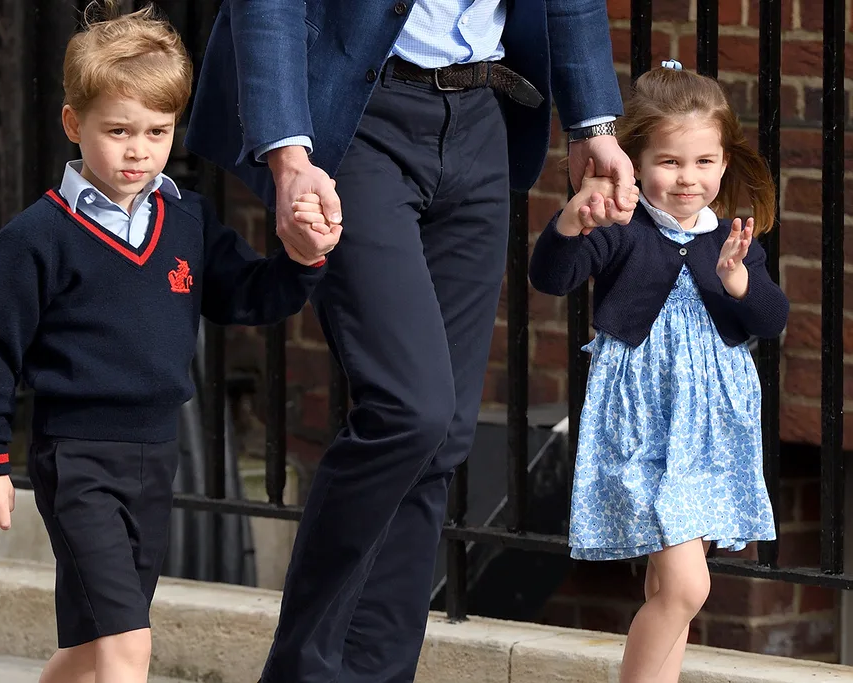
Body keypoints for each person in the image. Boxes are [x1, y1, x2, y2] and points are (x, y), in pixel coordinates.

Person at [185, 2, 636, 682]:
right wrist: (287, 155)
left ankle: (375, 672)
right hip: (357, 113)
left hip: (480, 113)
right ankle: (301, 672)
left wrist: (591, 121)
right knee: (407, 409)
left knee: (446, 431)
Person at [0, 4, 337, 683]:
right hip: (76, 459)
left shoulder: (188, 219)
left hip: (156, 457)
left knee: (90, 648)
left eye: (157, 131)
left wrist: (302, 258)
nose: (138, 149)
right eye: (118, 130)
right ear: (75, 125)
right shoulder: (34, 239)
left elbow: (249, 295)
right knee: (130, 647)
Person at [528, 61, 789, 683]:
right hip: (643, 419)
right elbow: (551, 277)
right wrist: (570, 221)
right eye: (670, 162)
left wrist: (738, 281)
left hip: (713, 427)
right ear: (636, 162)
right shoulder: (622, 227)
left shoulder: (732, 239)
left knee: (672, 592)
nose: (687, 178)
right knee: (684, 589)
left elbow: (772, 317)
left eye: (703, 162)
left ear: (725, 163)